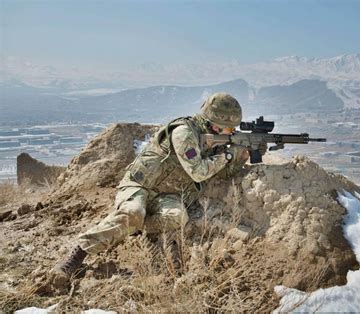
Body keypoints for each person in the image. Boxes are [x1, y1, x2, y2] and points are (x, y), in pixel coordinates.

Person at [50, 93, 253, 283]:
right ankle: (78, 255)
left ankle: (138, 226)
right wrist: (226, 155)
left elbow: (222, 173)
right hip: (141, 186)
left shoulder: (215, 142)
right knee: (133, 212)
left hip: (169, 194)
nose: (231, 133)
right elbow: (198, 172)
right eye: (227, 129)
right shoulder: (184, 133)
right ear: (213, 123)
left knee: (177, 217)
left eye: (233, 129)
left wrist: (239, 157)